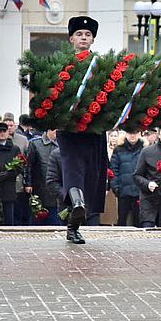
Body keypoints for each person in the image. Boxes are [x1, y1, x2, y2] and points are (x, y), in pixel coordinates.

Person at [55, 16, 109, 244]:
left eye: (87, 35)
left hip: (94, 129)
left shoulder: (102, 64)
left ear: (93, 39)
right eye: (79, 34)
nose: (83, 38)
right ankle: (76, 205)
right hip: (69, 130)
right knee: (73, 170)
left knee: (92, 173)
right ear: (71, 39)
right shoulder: (62, 64)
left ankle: (73, 225)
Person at [0, 122, 26, 226]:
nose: (2, 133)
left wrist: (8, 174)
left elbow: (19, 166)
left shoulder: (14, 149)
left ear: (8, 132)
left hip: (9, 184)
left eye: (4, 131)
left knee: (9, 214)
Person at [110, 130, 144, 227]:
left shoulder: (144, 149)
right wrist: (116, 187)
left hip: (139, 192)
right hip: (123, 192)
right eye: (130, 132)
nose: (132, 135)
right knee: (122, 222)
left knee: (139, 223)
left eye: (135, 132)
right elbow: (113, 170)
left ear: (139, 133)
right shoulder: (118, 149)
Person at [26, 128, 60, 226]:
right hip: (39, 187)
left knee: (55, 220)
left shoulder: (62, 145)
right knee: (37, 219)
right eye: (55, 131)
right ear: (49, 130)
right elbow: (28, 165)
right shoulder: (35, 144)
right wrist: (28, 183)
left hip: (56, 190)